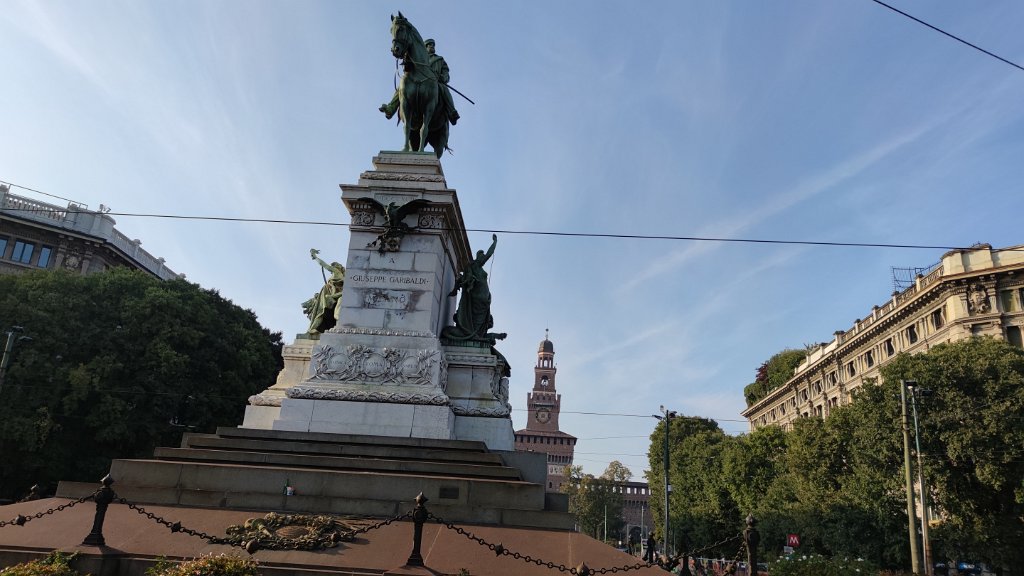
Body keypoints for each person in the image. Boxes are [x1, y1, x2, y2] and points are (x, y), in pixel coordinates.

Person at [441, 234, 499, 342]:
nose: (484, 257)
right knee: (475, 320)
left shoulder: (477, 267)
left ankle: (476, 335)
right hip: (477, 300)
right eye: (482, 256)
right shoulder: (473, 266)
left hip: (484, 301)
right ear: (478, 257)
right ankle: (473, 335)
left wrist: (495, 243)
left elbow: (489, 254)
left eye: (483, 256)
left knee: (480, 322)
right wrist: (494, 243)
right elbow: (489, 254)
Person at [302, 249, 345, 334]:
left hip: (329, 293)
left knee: (320, 311)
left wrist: (315, 257)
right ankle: (312, 329)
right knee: (320, 311)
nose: (333, 266)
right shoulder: (340, 275)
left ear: (339, 267)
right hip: (328, 292)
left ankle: (312, 329)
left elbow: (324, 265)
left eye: (335, 265)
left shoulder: (337, 272)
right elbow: (325, 265)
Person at [425, 38, 459, 125]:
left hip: (436, 81)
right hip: (421, 80)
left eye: (433, 45)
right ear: (425, 48)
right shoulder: (419, 58)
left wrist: (443, 77)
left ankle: (452, 112)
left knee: (444, 89)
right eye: (429, 45)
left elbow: (446, 72)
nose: (432, 46)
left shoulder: (439, 59)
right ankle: (394, 107)